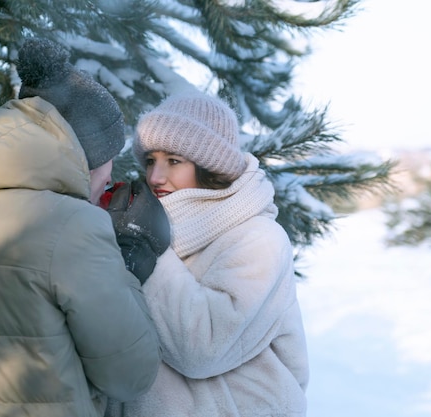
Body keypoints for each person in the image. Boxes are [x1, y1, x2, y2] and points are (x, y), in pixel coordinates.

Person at [0, 38, 166, 417]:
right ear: (85, 156)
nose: (112, 174)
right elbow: (130, 375)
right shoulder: (72, 228)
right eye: (109, 159)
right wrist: (128, 260)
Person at [105, 93, 309, 417]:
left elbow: (204, 349)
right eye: (150, 161)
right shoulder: (141, 226)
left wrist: (151, 257)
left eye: (173, 161)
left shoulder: (258, 238)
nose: (155, 177)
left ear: (209, 166)